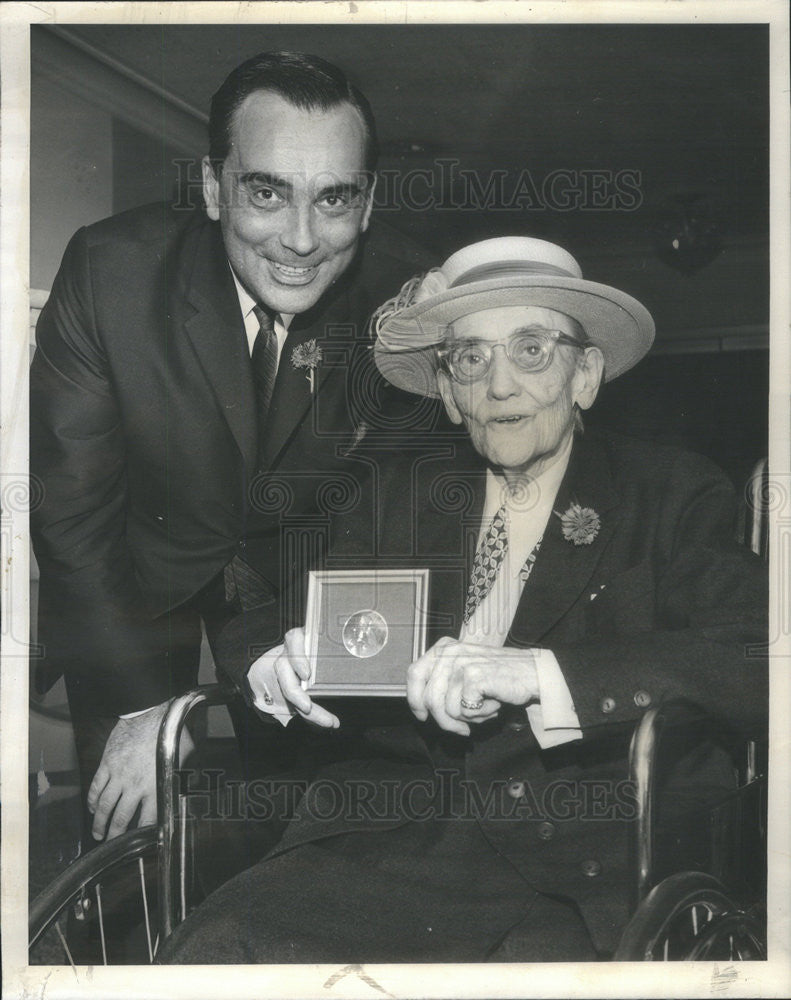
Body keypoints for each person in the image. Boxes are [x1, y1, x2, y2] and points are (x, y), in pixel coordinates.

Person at [158, 235, 767, 963]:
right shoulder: (400, 499)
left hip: (575, 852)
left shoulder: (668, 492)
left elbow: (759, 653)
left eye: (531, 350)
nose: (498, 385)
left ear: (584, 375)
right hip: (384, 833)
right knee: (219, 946)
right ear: (447, 392)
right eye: (471, 360)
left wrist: (539, 673)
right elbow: (271, 615)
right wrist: (269, 661)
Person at [30, 50, 433, 844]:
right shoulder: (110, 273)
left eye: (334, 198)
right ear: (215, 189)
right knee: (132, 838)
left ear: (369, 202)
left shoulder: (405, 310)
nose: (301, 240)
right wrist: (148, 710)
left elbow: (387, 529)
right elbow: (75, 522)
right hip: (136, 582)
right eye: (267, 192)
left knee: (322, 841)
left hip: (301, 596)